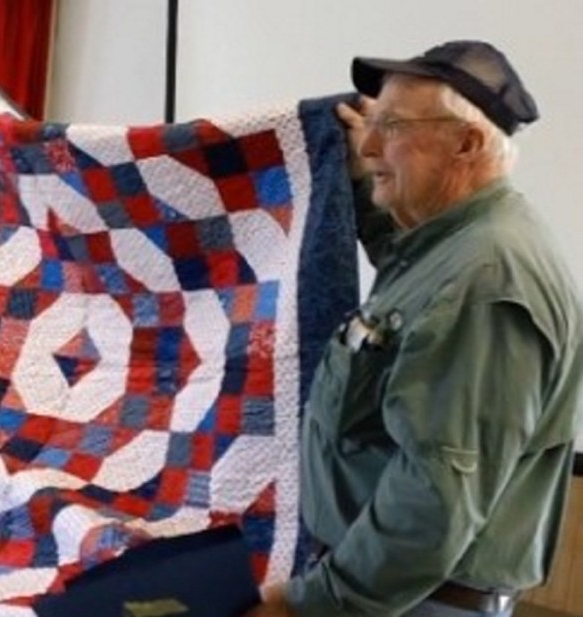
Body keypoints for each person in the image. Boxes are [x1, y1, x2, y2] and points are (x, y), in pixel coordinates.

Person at [245, 41, 583, 617]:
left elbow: (433, 502)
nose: (370, 144)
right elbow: (407, 273)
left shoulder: (483, 282)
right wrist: (348, 172)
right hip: (396, 594)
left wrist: (313, 606)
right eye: (370, 124)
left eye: (393, 126)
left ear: (467, 143)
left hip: (410, 600)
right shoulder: (457, 246)